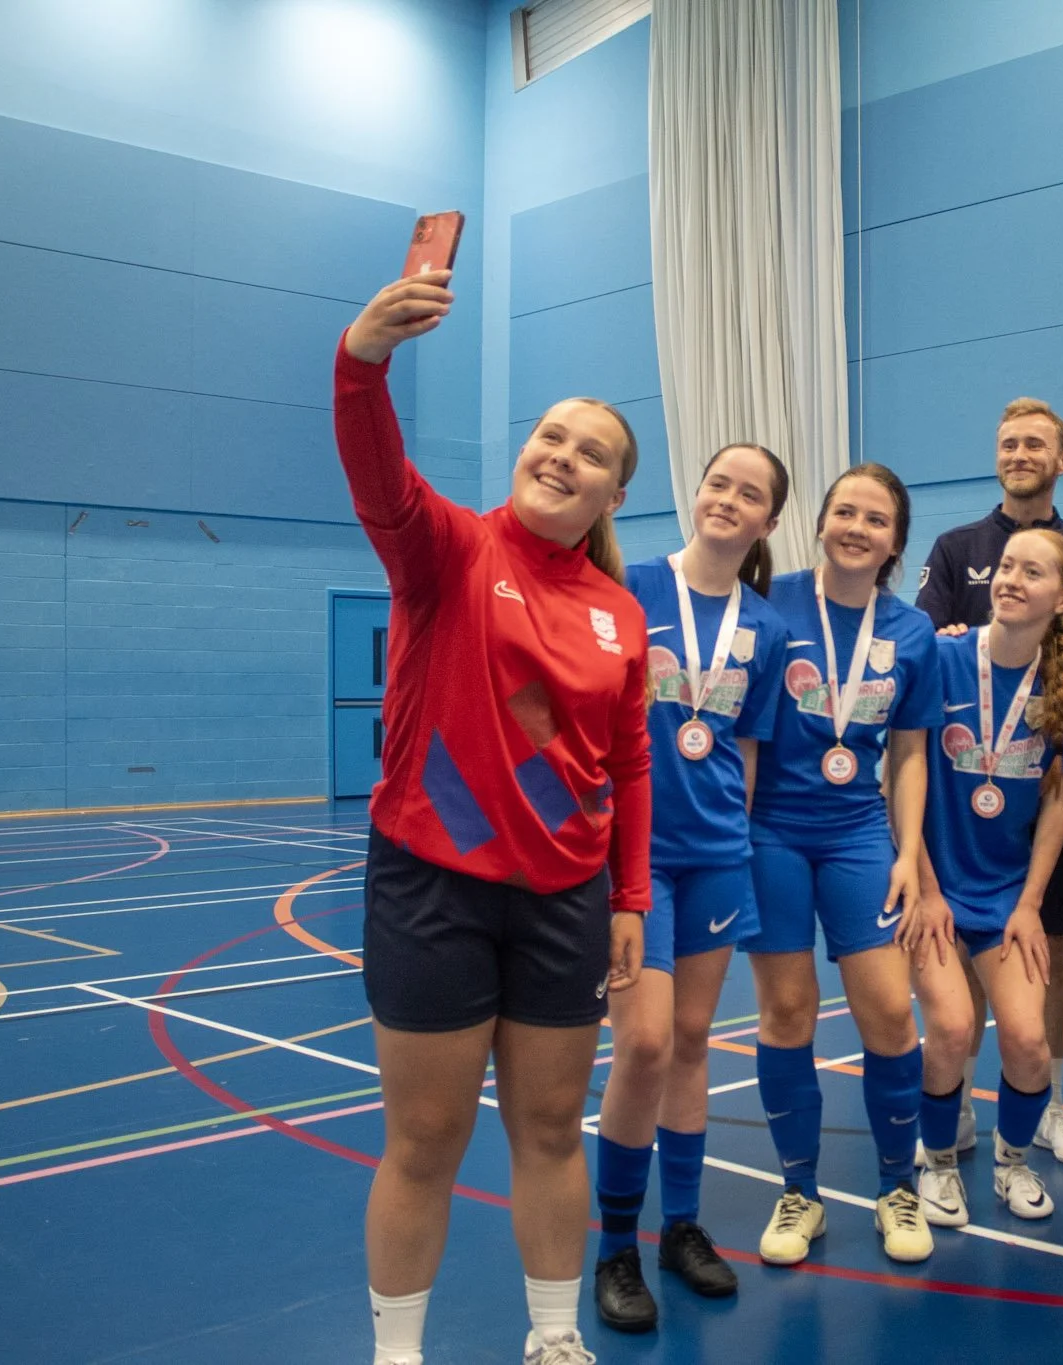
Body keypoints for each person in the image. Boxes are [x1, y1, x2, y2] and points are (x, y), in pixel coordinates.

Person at [337, 271, 650, 1365]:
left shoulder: (619, 614)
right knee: (425, 1139)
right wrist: (363, 361)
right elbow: (378, 476)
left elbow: (627, 764)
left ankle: (554, 1334)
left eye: (590, 453)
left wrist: (627, 897)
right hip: (434, 885)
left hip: (563, 899)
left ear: (614, 495)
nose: (562, 456)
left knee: (552, 1129)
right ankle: (397, 1353)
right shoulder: (451, 552)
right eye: (550, 436)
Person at [590, 445, 792, 1332]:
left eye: (749, 494)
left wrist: (733, 838)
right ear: (695, 491)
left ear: (767, 522)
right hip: (632, 854)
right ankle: (615, 1246)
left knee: (693, 1037)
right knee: (642, 1043)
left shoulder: (767, 626)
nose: (728, 500)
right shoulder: (628, 584)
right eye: (718, 483)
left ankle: (680, 1225)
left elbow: (743, 747)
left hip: (715, 853)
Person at [914, 399, 1063, 1167]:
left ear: (1062, 460)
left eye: (1034, 443)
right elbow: (924, 638)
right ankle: (959, 1100)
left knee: (1048, 946)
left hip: (1047, 781)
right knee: (963, 959)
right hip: (960, 789)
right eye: (1007, 441)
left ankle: (1050, 1104)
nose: (1018, 453)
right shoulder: (957, 548)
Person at [740, 464, 947, 1265]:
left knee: (891, 1013)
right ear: (821, 522)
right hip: (773, 832)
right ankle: (800, 1191)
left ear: (895, 541)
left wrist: (909, 854)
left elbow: (910, 753)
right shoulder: (770, 603)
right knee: (787, 1012)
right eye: (845, 512)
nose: (858, 527)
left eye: (876, 519)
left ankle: (898, 1185)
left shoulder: (913, 631)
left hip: (859, 832)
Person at [911, 529, 1063, 1227]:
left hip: (1004, 895)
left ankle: (1012, 1162)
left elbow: (1058, 804)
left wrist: (1029, 905)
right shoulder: (941, 657)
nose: (1012, 578)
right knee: (952, 1027)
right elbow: (901, 779)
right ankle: (938, 1164)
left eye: (1033, 572)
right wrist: (926, 891)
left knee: (1026, 1041)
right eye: (1007, 566)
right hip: (934, 886)